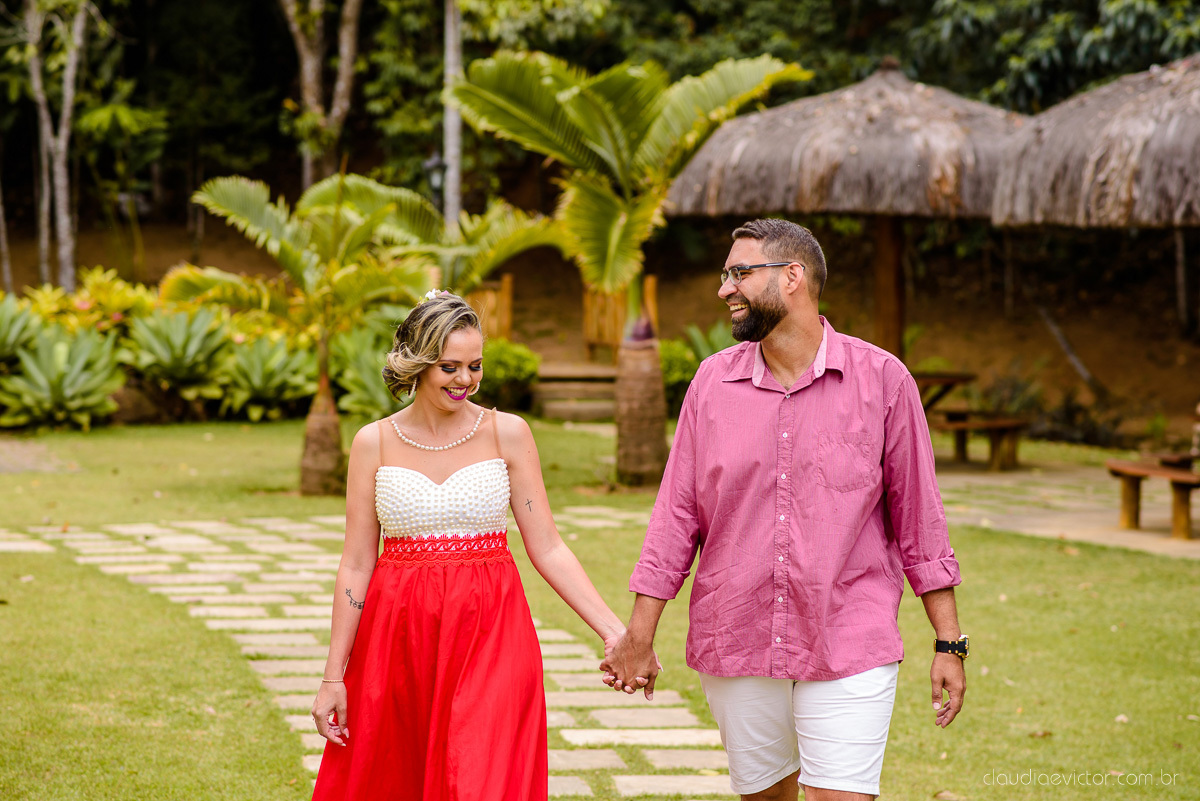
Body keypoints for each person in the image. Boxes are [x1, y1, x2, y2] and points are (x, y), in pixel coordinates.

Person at [600, 219, 967, 801]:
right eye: (725, 275)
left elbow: (920, 520)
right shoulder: (711, 385)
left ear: (792, 277)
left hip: (850, 634)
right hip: (736, 633)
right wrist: (639, 634)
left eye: (739, 273)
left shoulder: (884, 382)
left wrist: (949, 642)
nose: (725, 289)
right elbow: (676, 517)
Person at [310, 292, 629, 801]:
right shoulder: (374, 442)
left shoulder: (508, 433)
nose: (465, 380)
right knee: (396, 777)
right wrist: (334, 677)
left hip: (492, 631)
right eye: (449, 366)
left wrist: (617, 633)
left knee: (484, 777)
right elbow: (355, 563)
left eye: (475, 366)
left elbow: (546, 547)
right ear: (417, 363)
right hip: (398, 639)